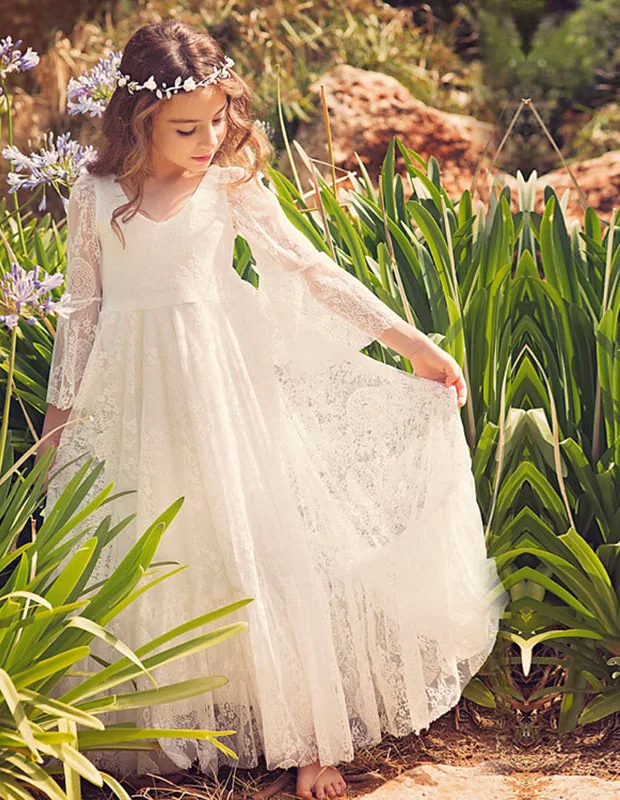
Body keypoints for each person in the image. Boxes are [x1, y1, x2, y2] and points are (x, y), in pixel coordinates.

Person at [38, 19, 509, 800]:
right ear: (136, 120)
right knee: (143, 557)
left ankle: (308, 738)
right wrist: (55, 433)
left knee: (259, 551)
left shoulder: (229, 185)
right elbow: (81, 316)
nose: (208, 137)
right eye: (186, 127)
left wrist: (409, 341)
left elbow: (308, 265)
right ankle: (149, 725)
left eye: (219, 119)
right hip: (131, 407)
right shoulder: (94, 197)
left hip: (223, 399)